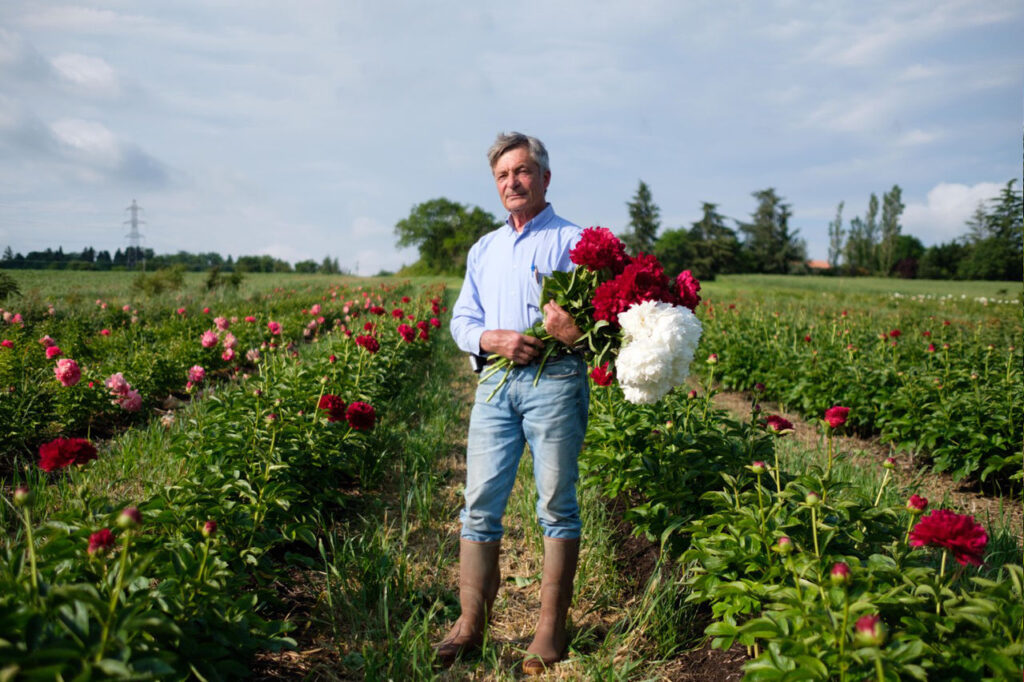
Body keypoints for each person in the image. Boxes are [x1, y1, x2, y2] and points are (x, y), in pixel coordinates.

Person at [439, 132, 589, 674]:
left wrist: (574, 331)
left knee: (556, 504)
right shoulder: (485, 248)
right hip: (497, 384)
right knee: (479, 505)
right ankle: (469, 625)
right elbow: (462, 320)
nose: (512, 183)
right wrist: (491, 339)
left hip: (557, 379)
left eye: (522, 172)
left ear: (545, 177)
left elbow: (606, 325)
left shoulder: (576, 243)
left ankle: (550, 630)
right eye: (503, 176)